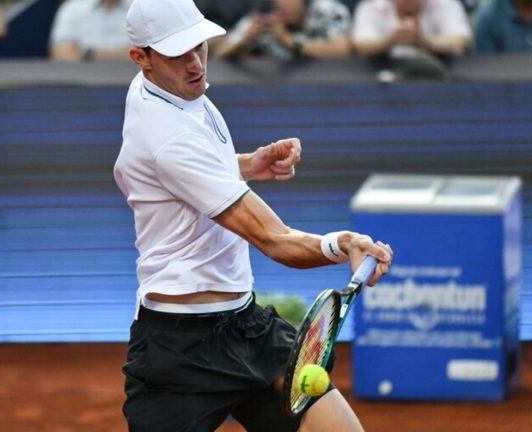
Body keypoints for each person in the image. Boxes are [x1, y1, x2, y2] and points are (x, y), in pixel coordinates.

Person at [114, 0, 393, 430]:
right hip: (180, 351)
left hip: (247, 327)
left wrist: (244, 165)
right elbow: (275, 240)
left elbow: (180, 178)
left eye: (199, 47)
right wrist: (343, 245)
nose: (194, 64)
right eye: (177, 54)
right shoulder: (167, 139)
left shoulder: (165, 89)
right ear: (141, 58)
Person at [351, 0, 471, 81]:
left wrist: (425, 42)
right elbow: (362, 46)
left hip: (440, 77)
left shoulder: (446, 4)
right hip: (384, 80)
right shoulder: (372, 7)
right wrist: (390, 40)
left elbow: (459, 42)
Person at [213, 0, 353, 61]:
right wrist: (245, 40)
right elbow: (221, 52)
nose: (282, 3)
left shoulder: (326, 11)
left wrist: (289, 40)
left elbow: (343, 49)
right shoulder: (267, 20)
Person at [49, 0, 131, 61]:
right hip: (81, 80)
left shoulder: (141, 8)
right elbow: (61, 53)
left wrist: (90, 54)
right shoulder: (72, 8)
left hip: (134, 80)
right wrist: (127, 54)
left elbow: (144, 54)